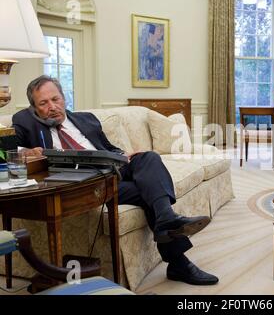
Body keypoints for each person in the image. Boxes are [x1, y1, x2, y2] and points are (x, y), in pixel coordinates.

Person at [12, 75, 219, 286]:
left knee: (149, 158)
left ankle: (167, 221)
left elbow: (109, 149)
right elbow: (7, 150)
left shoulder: (86, 119)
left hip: (113, 169)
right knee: (151, 193)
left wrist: (124, 154)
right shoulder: (26, 122)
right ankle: (177, 259)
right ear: (34, 108)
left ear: (64, 98)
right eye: (43, 103)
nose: (52, 107)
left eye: (55, 99)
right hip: (89, 183)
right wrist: (26, 152)